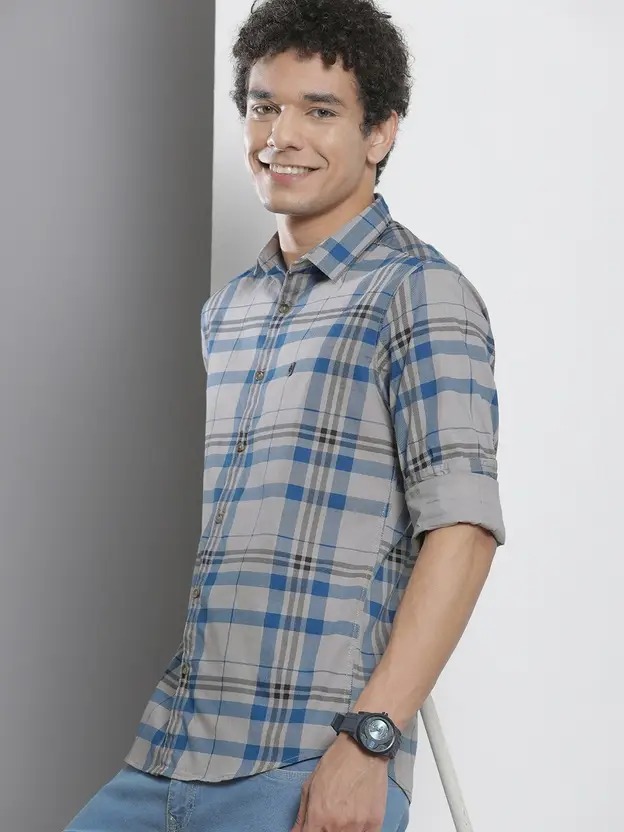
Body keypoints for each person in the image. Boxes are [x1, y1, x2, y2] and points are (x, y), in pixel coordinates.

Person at [64, 0, 506, 830]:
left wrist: (369, 742)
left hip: (307, 760)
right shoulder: (229, 311)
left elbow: (463, 532)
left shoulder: (421, 295)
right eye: (264, 105)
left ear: (380, 134)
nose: (282, 135)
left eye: (320, 111)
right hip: (173, 747)